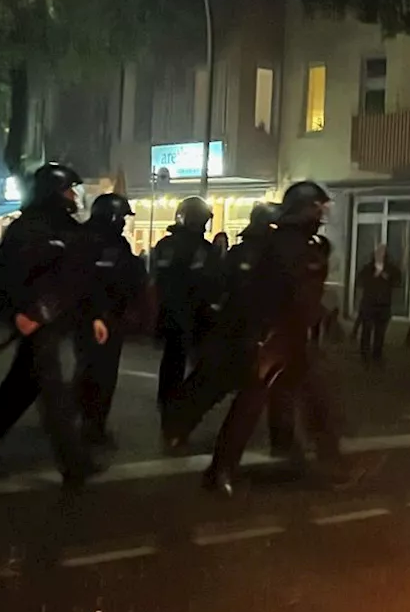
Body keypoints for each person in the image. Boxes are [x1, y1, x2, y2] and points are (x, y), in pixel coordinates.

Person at [204, 182, 355, 496]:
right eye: (317, 207)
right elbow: (282, 292)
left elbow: (305, 293)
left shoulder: (300, 243)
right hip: (273, 338)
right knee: (250, 404)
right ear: (304, 209)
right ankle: (220, 471)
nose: (322, 213)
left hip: (292, 338)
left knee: (315, 402)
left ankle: (332, 463)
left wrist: (322, 316)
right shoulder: (284, 245)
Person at [0, 163, 103, 487]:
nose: (74, 196)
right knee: (54, 392)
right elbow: (4, 275)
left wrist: (93, 314)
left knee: (20, 387)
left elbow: (80, 278)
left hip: (55, 320)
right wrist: (18, 313)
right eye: (69, 190)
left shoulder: (69, 229)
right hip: (35, 321)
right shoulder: (27, 229)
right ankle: (74, 463)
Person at [161, 202, 295, 459]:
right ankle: (209, 446)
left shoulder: (242, 253)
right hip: (242, 333)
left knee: (240, 386)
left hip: (240, 332)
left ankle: (181, 430)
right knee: (220, 385)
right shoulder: (259, 256)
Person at [75, 193, 145, 448]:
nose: (125, 222)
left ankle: (88, 423)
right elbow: (88, 281)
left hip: (105, 317)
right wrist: (96, 314)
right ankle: (91, 427)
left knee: (93, 372)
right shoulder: (97, 242)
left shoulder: (108, 241)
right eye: (122, 217)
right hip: (99, 318)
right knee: (100, 375)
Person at [151, 196, 219, 409]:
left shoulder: (164, 245)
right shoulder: (204, 250)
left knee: (172, 358)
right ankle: (181, 404)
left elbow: (154, 277)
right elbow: (211, 282)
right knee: (199, 362)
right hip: (195, 312)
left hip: (168, 311)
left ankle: (168, 399)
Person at [355, 243, 400, 366]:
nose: (380, 255)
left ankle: (377, 354)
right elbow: (360, 280)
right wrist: (374, 275)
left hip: (383, 305)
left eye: (382, 253)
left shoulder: (391, 268)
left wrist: (386, 276)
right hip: (369, 304)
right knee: (367, 330)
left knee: (380, 332)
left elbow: (397, 280)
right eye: (378, 253)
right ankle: (364, 354)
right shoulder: (368, 268)